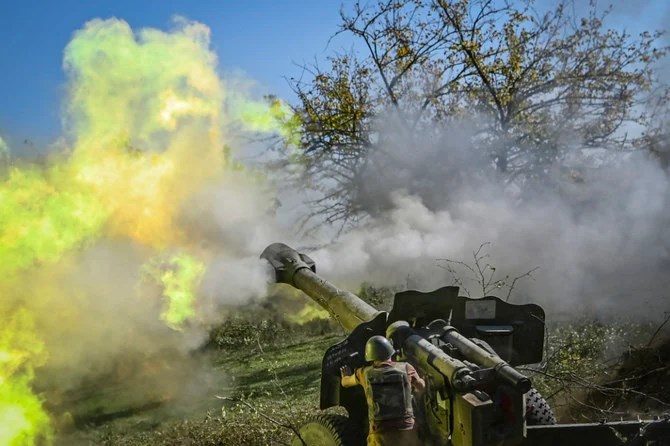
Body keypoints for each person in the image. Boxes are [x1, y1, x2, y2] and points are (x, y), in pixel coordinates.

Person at [340, 335, 425, 446]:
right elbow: (422, 387)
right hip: (406, 429)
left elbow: (345, 383)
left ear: (370, 356)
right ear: (390, 351)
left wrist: (345, 376)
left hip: (380, 432)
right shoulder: (406, 368)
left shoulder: (364, 373)